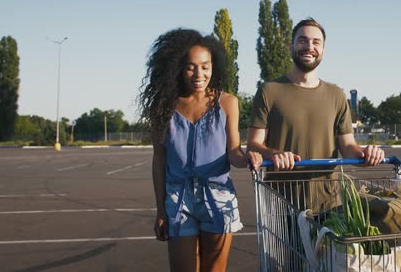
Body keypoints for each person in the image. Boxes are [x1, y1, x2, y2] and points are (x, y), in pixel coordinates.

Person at [138, 28, 262, 272]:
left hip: (218, 198)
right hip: (178, 200)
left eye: (205, 66)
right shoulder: (163, 107)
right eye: (190, 66)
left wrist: (248, 157)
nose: (199, 74)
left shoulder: (228, 103)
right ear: (177, 68)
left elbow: (234, 152)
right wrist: (161, 210)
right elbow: (159, 159)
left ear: (213, 66)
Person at [247, 17, 385, 212]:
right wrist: (274, 154)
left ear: (323, 50)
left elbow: (348, 148)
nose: (309, 46)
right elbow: (252, 145)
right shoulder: (269, 91)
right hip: (280, 205)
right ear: (291, 46)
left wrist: (367, 153)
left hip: (328, 205)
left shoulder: (336, 95)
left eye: (316, 42)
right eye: (302, 40)